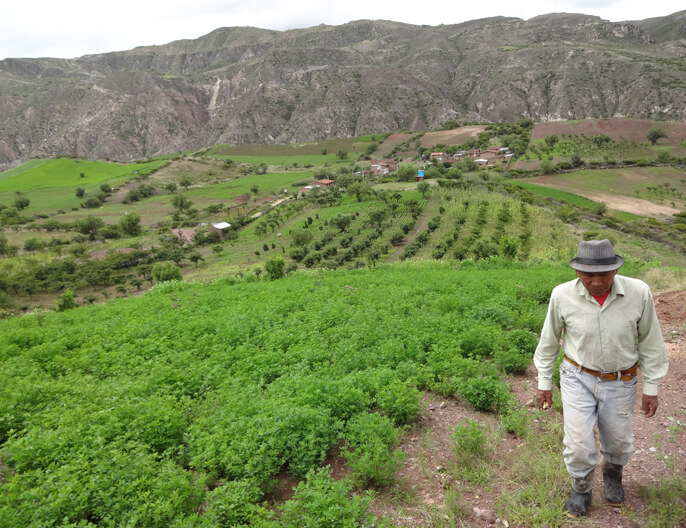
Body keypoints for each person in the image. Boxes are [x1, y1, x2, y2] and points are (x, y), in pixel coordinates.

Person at [533, 239, 668, 518]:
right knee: (579, 442)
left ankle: (612, 474)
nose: (596, 282)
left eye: (604, 274)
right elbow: (548, 342)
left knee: (618, 442)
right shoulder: (561, 295)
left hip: (621, 379)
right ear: (577, 272)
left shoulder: (639, 292)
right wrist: (544, 383)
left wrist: (651, 387)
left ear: (616, 270)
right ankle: (581, 489)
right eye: (588, 275)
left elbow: (651, 342)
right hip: (576, 376)